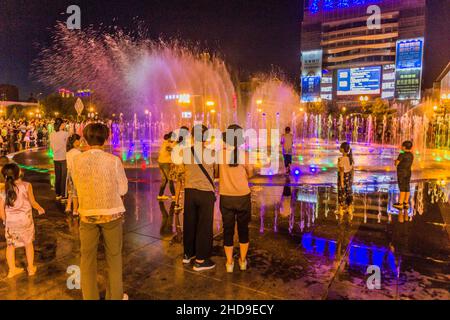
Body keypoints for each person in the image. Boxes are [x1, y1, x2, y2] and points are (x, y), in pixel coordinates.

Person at [72, 123, 128, 300]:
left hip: (87, 214)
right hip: (111, 213)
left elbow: (76, 185)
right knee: (114, 257)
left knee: (87, 258)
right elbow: (123, 189)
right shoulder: (113, 160)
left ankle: (89, 297)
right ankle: (116, 296)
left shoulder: (76, 161)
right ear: (106, 138)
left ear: (85, 138)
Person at [182, 124, 217, 271]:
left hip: (189, 192)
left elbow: (184, 169)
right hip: (205, 192)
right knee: (204, 225)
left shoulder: (184, 152)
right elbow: (215, 172)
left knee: (189, 222)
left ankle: (188, 254)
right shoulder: (212, 153)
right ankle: (201, 260)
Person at [0, 163, 45, 278]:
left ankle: (12, 270)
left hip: (11, 222)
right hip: (25, 220)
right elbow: (33, 202)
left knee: (10, 245)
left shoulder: (3, 190)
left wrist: (6, 222)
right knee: (28, 243)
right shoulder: (26, 185)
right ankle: (30, 268)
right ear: (18, 173)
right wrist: (40, 208)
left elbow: (1, 210)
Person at [219, 125, 254, 273]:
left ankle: (229, 263)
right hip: (242, 197)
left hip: (226, 197)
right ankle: (243, 261)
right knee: (243, 229)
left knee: (228, 230)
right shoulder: (244, 155)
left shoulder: (220, 154)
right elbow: (251, 173)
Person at [169, 127, 189, 210]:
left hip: (176, 167)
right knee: (187, 187)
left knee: (178, 186)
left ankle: (176, 204)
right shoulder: (186, 144)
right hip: (184, 168)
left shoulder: (175, 144)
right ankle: (187, 206)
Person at [49, 118, 69, 201]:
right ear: (61, 125)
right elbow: (68, 144)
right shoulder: (65, 134)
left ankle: (58, 193)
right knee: (64, 176)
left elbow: (52, 146)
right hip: (63, 157)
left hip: (56, 157)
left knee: (58, 176)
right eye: (64, 123)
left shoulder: (51, 134)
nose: (65, 124)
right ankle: (63, 195)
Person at [393, 141, 414, 212]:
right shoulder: (411, 155)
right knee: (407, 186)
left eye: (402, 146)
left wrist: (395, 161)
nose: (401, 147)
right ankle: (406, 202)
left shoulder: (402, 154)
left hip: (402, 172)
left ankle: (400, 203)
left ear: (404, 147)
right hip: (408, 172)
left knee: (402, 187)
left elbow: (397, 163)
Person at [65, 134, 82, 216]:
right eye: (79, 140)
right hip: (75, 174)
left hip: (69, 173)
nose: (81, 141)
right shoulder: (78, 153)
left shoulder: (68, 152)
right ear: (75, 142)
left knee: (71, 191)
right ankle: (75, 210)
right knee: (75, 193)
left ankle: (68, 207)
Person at [337, 142, 354, 216]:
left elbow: (341, 172)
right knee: (348, 193)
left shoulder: (342, 159)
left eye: (340, 147)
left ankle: (340, 210)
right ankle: (349, 209)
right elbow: (352, 170)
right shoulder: (350, 159)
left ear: (343, 149)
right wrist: (351, 180)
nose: (339, 148)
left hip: (343, 178)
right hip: (349, 178)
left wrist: (341, 182)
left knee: (341, 193)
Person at [157, 132, 175, 201]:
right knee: (170, 179)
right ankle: (174, 195)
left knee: (164, 179)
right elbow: (172, 150)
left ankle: (160, 195)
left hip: (160, 162)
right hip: (165, 163)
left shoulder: (164, 143)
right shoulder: (167, 144)